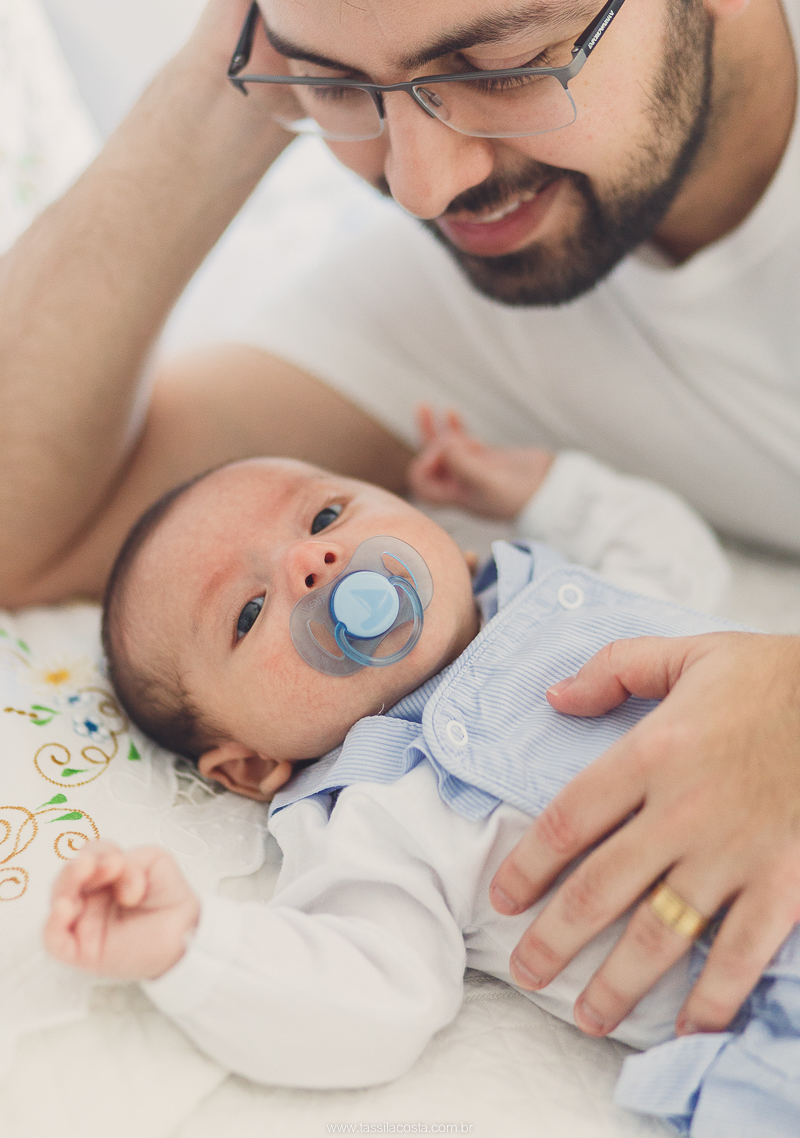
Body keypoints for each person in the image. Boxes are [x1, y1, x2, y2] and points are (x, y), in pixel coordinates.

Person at [2, 0, 800, 1049]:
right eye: (338, 87)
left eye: (505, 64)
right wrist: (229, 84)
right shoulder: (468, 284)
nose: (420, 182)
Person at [42, 443, 798, 1134]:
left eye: (327, 513)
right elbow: (370, 994)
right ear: (250, 767)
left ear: (452, 545)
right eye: (247, 612)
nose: (311, 559)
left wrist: (547, 487)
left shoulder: (560, 585)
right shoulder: (379, 807)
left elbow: (676, 557)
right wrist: (190, 943)